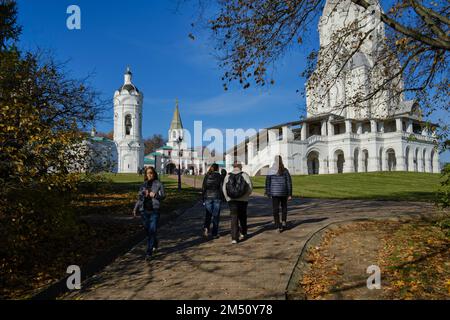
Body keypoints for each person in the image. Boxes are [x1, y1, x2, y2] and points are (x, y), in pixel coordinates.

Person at [133, 166, 166, 261]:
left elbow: (163, 196)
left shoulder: (159, 184)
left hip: (154, 211)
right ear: (146, 175)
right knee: (148, 231)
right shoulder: (143, 185)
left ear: (154, 173)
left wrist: (155, 195)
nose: (149, 174)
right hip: (144, 211)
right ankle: (155, 242)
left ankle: (149, 252)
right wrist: (135, 209)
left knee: (152, 230)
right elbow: (139, 198)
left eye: (151, 172)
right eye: (148, 173)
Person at [223, 162, 253, 244]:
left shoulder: (228, 176)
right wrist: (246, 196)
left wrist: (227, 198)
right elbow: (250, 187)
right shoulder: (245, 175)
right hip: (243, 200)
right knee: (243, 217)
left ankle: (234, 238)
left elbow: (224, 189)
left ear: (233, 167)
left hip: (232, 200)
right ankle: (243, 233)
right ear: (240, 167)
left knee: (234, 218)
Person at [265, 156, 292, 233]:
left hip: (275, 193)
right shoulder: (285, 170)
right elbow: (289, 182)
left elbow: (267, 182)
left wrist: (268, 192)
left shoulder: (270, 170)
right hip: (284, 192)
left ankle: (278, 225)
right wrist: (290, 194)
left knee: (275, 209)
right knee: (284, 208)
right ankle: (283, 221)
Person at [201, 163, 223, 239]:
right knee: (216, 216)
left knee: (208, 215)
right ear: (217, 168)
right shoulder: (219, 176)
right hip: (217, 197)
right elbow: (221, 188)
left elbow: (203, 188)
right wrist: (222, 198)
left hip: (207, 196)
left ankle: (206, 228)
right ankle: (214, 233)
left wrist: (203, 198)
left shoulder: (207, 176)